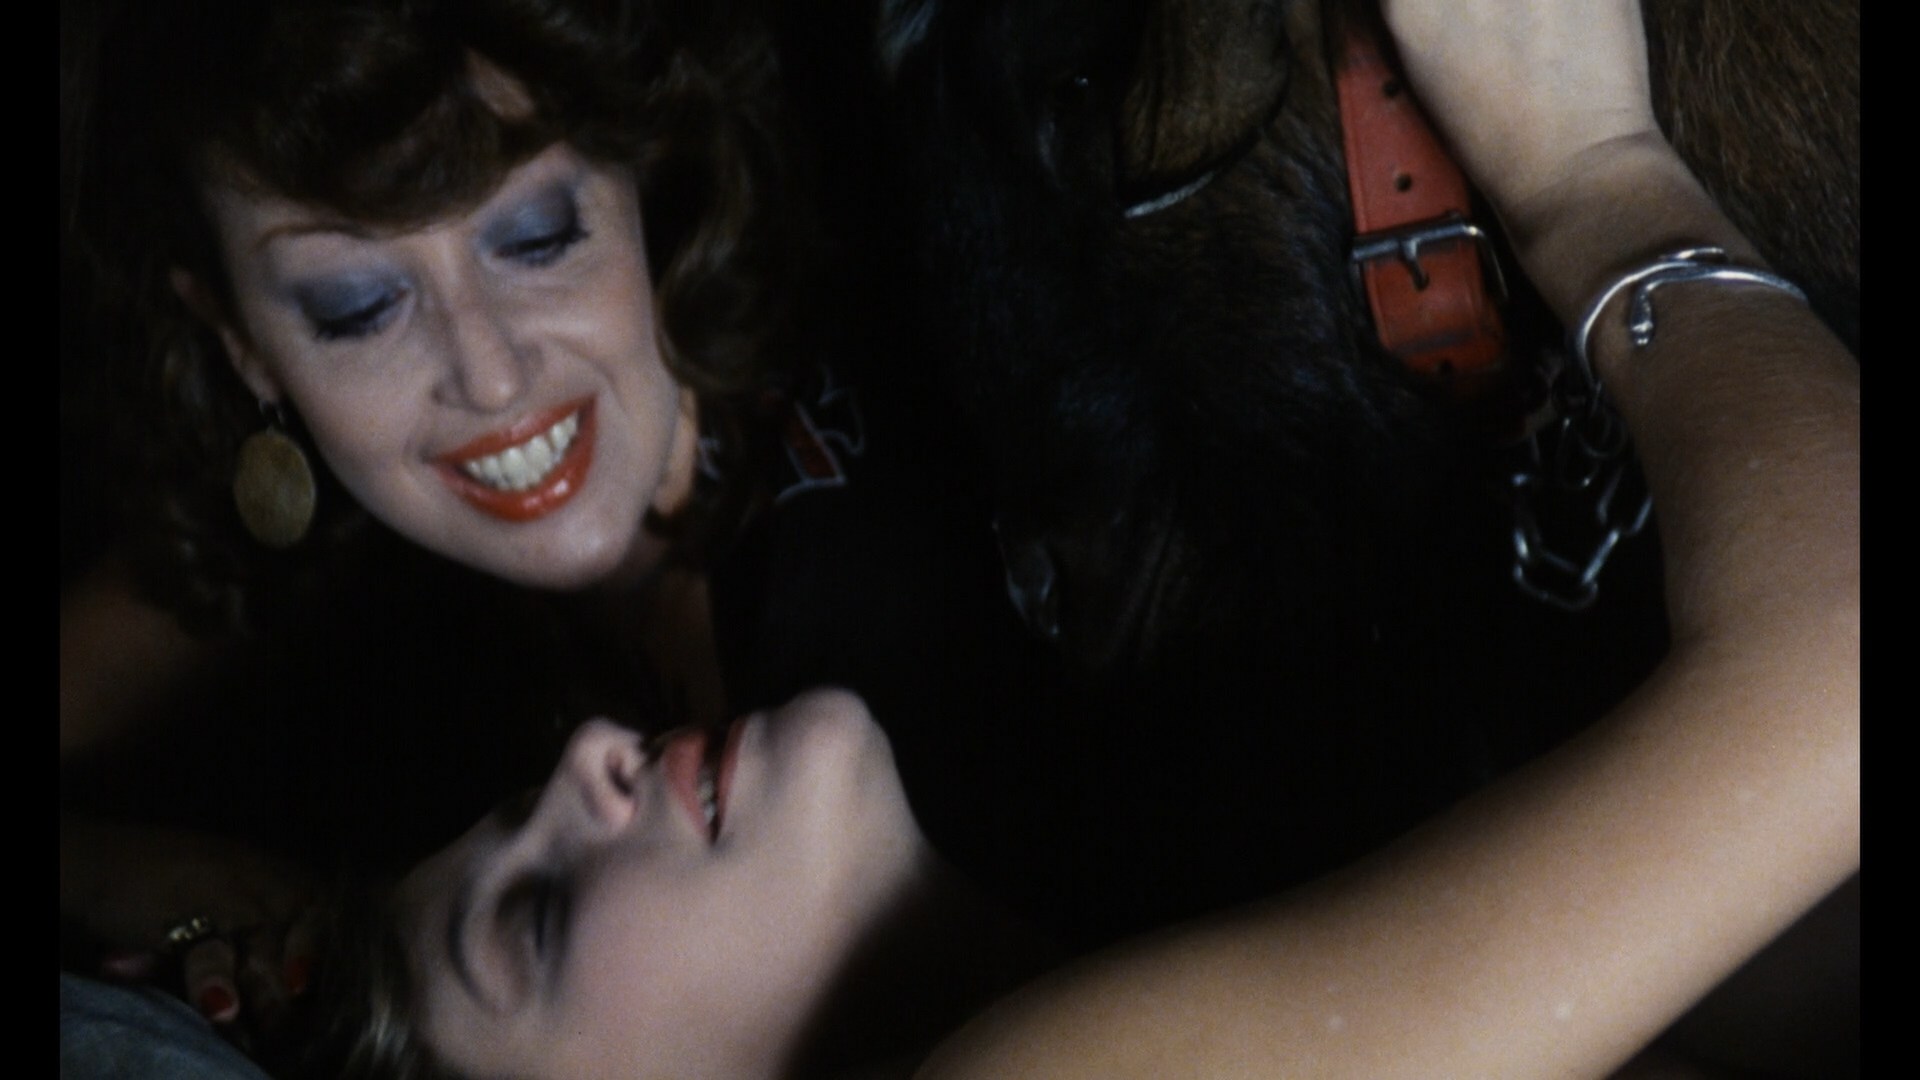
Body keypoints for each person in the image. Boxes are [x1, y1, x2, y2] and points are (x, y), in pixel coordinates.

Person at [315, 0, 1858, 1076]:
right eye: (533, 923)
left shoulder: (1188, 911)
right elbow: (1839, 687)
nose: (593, 757)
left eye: (525, 801)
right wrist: (1588, 169)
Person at [63, 0, 1009, 1047]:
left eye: (536, 237)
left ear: (636, 164)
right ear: (243, 343)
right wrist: (156, 880)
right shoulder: (331, 556)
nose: (491, 375)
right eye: (356, 307)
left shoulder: (925, 306)